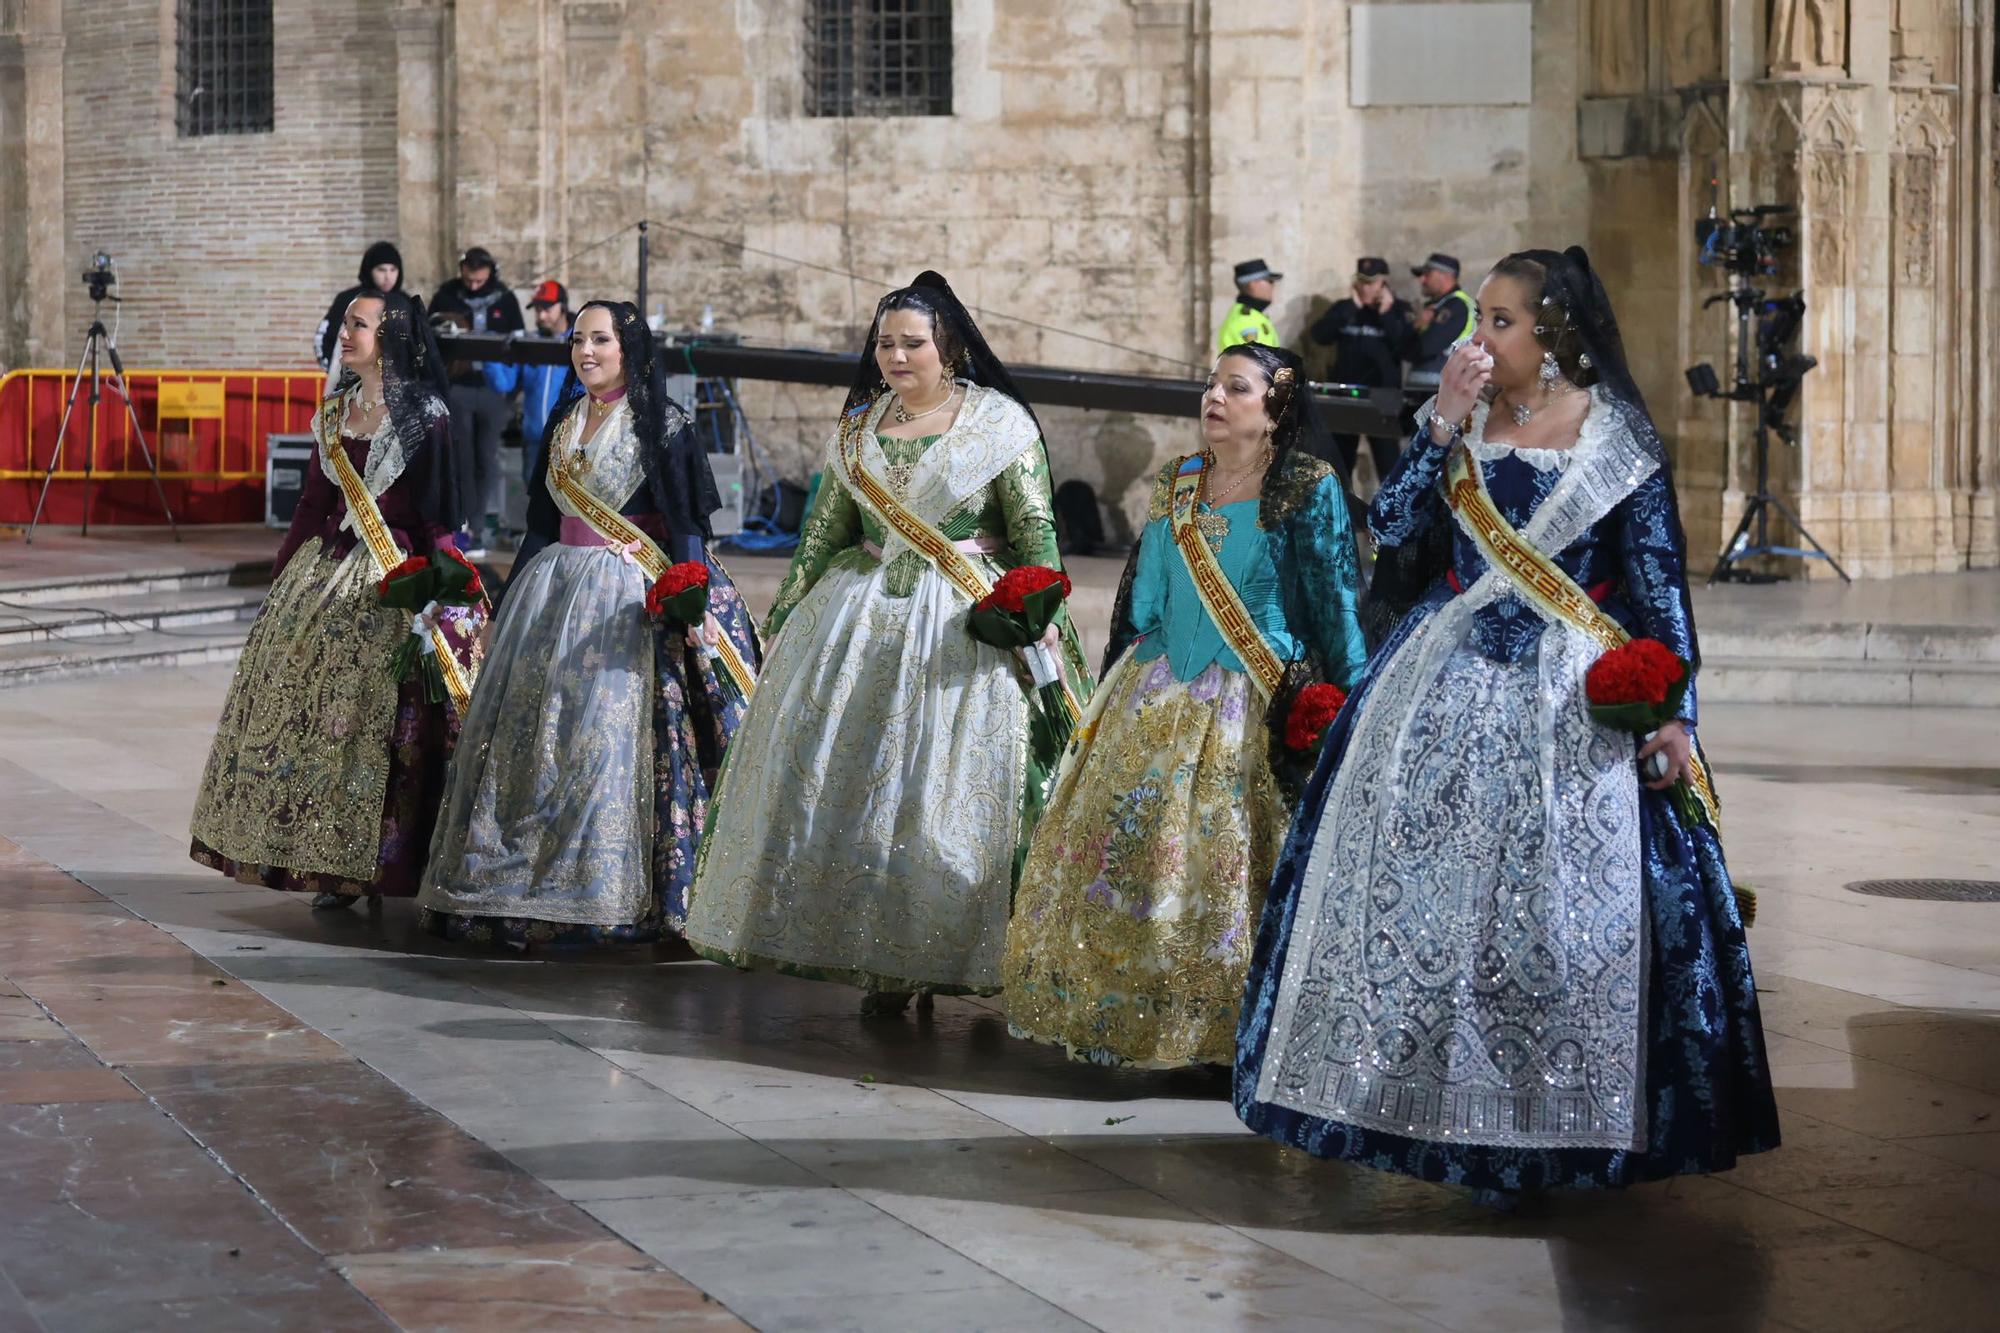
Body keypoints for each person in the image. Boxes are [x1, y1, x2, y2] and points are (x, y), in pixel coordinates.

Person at [1235, 247, 1780, 1206]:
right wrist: (1439, 422)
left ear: (1554, 333)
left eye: (1498, 320)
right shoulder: (1463, 423)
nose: (1476, 337)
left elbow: (1658, 588)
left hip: (1571, 699)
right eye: (1476, 317)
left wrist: (1675, 712)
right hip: (1440, 680)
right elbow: (1397, 530)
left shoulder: (1617, 442)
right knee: (1420, 905)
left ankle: (1558, 1125)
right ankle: (1418, 1107)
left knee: (1562, 911)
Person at [684, 271, 1092, 1014]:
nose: (897, 357)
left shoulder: (1000, 427)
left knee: (943, 792)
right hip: (859, 622)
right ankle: (872, 954)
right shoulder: (857, 429)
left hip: (963, 626)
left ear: (951, 347)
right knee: (857, 784)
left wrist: (1041, 620)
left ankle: (951, 946)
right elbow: (821, 535)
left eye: (913, 343)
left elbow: (1036, 534)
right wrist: (784, 619)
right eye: (885, 343)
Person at [1001, 343, 1367, 1069]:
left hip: (1252, 697)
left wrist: (1351, 707)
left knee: (1227, 864)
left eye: (1236, 388)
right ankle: (1126, 1012)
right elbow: (1143, 598)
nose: (1215, 398)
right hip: (1157, 688)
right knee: (1133, 851)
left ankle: (1226, 1024)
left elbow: (1335, 601)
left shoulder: (1306, 485)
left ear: (1276, 407)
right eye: (1211, 385)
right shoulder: (1175, 482)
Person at [418, 299, 760, 949]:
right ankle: (528, 880)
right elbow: (540, 525)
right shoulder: (563, 419)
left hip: (625, 596)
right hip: (552, 591)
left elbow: (687, 525)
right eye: (578, 340)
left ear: (629, 348)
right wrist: (504, 604)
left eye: (600, 339)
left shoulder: (665, 425)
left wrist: (688, 597)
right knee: (535, 736)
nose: (586, 351)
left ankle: (604, 884)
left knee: (604, 738)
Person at [192, 290, 479, 909]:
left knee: (375, 729)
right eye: (344, 324)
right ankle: (323, 864)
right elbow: (312, 506)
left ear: (392, 336)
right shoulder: (334, 413)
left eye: (358, 325)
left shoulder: (425, 415)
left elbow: (440, 514)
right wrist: (279, 583)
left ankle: (381, 863)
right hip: (321, 577)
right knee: (311, 722)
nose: (344, 335)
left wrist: (446, 592)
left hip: (394, 580)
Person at [432, 246, 526, 557]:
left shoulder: (504, 298)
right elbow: (432, 338)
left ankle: (484, 523)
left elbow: (519, 345)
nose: (473, 286)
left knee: (488, 459)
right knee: (463, 459)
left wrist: (510, 393)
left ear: (490, 274)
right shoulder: (447, 295)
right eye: (468, 280)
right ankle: (465, 526)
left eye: (479, 281)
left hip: (492, 390)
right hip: (458, 387)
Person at [1306, 257, 1412, 489]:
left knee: (1389, 466)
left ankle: (1391, 521)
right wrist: (1351, 308)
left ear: (1383, 282)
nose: (1365, 287)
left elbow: (1408, 348)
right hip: (1346, 397)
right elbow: (1319, 335)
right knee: (1340, 465)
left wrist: (1386, 314)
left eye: (1371, 282)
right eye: (1361, 282)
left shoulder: (1399, 311)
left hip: (1382, 398)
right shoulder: (1344, 308)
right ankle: (1344, 517)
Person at [481, 279, 577, 486]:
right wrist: (489, 354)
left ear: (563, 306)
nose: (541, 315)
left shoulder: (579, 344)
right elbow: (504, 384)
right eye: (538, 309)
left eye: (547, 309)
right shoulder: (530, 344)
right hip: (534, 441)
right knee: (535, 507)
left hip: (569, 443)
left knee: (568, 508)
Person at [314, 241, 404, 393]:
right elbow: (324, 338)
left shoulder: (405, 303)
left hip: (395, 386)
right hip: (349, 385)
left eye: (393, 270)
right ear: (370, 270)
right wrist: (336, 371)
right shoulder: (349, 300)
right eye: (381, 270)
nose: (388, 276)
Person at [1400, 252, 1476, 398]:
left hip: (1440, 394)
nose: (1422, 280)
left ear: (1446, 276)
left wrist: (1417, 326)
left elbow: (1426, 347)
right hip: (1421, 392)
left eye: (1427, 274)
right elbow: (1404, 352)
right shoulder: (1433, 307)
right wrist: (1417, 325)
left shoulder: (1456, 306)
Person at [1215, 259, 1281, 353]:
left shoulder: (1254, 316)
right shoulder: (1246, 322)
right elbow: (1259, 365)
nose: (1272, 286)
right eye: (1269, 281)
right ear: (1253, 284)